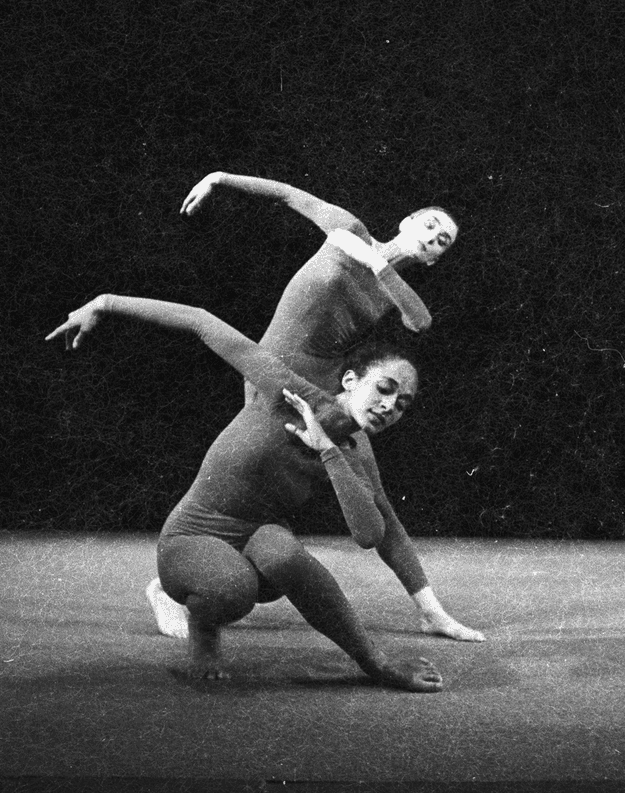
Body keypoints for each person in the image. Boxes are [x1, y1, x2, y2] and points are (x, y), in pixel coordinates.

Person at [142, 172, 482, 643]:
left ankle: (431, 611)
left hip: (317, 382)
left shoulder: (390, 285)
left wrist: (374, 263)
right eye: (430, 226)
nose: (433, 239)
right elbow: (285, 194)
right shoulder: (348, 226)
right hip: (270, 370)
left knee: (369, 492)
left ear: (436, 257)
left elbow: (419, 321)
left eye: (442, 242)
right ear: (408, 221)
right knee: (246, 478)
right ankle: (173, 584)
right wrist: (220, 179)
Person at [47, 293, 443, 692]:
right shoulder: (288, 392)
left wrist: (326, 449)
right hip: (193, 537)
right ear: (351, 380)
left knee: (284, 553)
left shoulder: (351, 453)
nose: (389, 406)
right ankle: (204, 636)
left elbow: (371, 534)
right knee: (232, 589)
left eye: (402, 404)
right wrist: (103, 303)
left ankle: (374, 662)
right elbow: (201, 320)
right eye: (384, 388)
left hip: (256, 541)